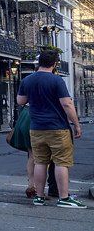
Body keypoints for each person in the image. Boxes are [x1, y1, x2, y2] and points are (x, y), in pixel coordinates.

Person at [16, 49, 86, 208]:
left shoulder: (27, 80)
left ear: (39, 62)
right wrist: (76, 124)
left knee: (40, 162)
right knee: (61, 162)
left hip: (36, 128)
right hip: (57, 128)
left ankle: (39, 197)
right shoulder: (57, 81)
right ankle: (64, 198)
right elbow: (67, 104)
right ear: (55, 64)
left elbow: (21, 101)